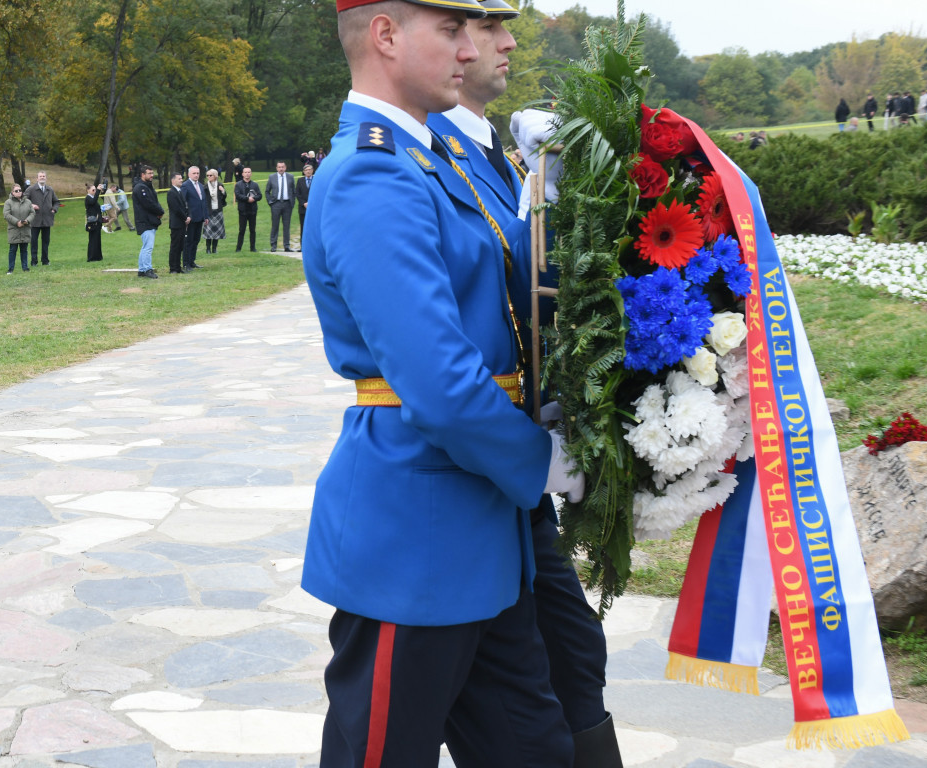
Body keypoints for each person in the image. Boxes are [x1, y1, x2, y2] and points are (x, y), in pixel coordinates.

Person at [300, 0, 588, 765]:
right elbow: (439, 384)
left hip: (481, 532)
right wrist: (545, 462)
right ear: (387, 36)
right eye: (452, 30)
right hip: (416, 537)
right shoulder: (372, 174)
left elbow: (516, 291)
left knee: (537, 750)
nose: (472, 49)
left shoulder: (437, 157)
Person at [427, 1, 622, 763]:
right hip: (471, 469)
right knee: (421, 708)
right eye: (479, 26)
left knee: (574, 658)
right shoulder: (423, 153)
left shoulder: (493, 152)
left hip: (514, 466)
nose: (507, 41)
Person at [131, 165, 162, 279]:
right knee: (148, 247)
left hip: (149, 220)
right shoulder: (140, 188)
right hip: (144, 221)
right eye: (149, 173)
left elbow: (154, 201)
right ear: (142, 175)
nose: (152, 175)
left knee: (145, 246)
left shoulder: (147, 186)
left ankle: (142, 270)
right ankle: (148, 269)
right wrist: (160, 211)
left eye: (152, 173)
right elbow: (148, 203)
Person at [25, 171, 59, 266]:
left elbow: (56, 202)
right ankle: (34, 261)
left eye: (44, 176)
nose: (42, 178)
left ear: (46, 178)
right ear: (37, 178)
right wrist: (31, 205)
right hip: (35, 220)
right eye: (40, 176)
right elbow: (23, 200)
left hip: (47, 219)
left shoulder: (50, 189)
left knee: (46, 242)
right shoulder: (31, 189)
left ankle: (45, 260)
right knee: (34, 242)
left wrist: (54, 209)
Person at [3, 183, 35, 274]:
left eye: (20, 190)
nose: (18, 192)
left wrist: (27, 221)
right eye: (16, 191)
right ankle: (10, 269)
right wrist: (17, 222)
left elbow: (32, 213)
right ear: (12, 192)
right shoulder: (8, 202)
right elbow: (6, 215)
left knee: (24, 249)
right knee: (13, 250)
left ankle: (25, 268)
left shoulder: (28, 202)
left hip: (25, 229)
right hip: (14, 230)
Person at [181, 165, 207, 269]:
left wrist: (206, 216)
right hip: (190, 218)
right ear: (189, 174)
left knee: (196, 240)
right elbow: (183, 202)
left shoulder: (200, 185)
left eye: (197, 173)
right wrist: (187, 216)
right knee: (189, 241)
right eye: (194, 173)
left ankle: (192, 261)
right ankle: (186, 263)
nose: (196, 175)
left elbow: (203, 202)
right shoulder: (185, 186)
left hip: (200, 217)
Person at [265, 161, 294, 251]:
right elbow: (267, 191)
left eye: (282, 167)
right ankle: (273, 245)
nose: (281, 169)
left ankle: (287, 245)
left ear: (285, 168)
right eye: (279, 167)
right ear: (276, 168)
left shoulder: (290, 177)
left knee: (286, 225)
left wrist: (292, 202)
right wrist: (270, 202)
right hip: (276, 204)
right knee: (275, 225)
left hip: (287, 204)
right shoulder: (272, 177)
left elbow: (293, 190)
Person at [233, 167, 262, 252]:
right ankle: (238, 248)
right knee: (242, 230)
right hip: (243, 210)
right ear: (242, 174)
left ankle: (252, 248)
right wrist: (247, 199)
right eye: (245, 172)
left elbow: (260, 195)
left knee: (252, 230)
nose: (247, 174)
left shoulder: (255, 185)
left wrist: (254, 198)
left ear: (251, 173)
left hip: (252, 210)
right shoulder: (238, 184)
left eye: (249, 172)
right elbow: (237, 195)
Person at [166, 172, 188, 274]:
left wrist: (187, 216)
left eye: (181, 178)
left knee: (180, 246)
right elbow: (176, 208)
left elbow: (184, 206)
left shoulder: (180, 191)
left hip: (182, 223)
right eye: (179, 179)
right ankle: (173, 268)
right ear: (173, 180)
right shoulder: (171, 192)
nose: (181, 180)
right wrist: (185, 218)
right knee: (175, 246)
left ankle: (178, 267)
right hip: (176, 223)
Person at [202, 168, 227, 255]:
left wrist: (222, 191)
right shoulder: (205, 187)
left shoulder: (220, 185)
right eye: (207, 175)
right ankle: (208, 249)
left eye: (210, 175)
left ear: (215, 176)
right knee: (209, 231)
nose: (208, 177)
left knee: (217, 231)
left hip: (218, 210)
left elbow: (224, 197)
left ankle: (214, 249)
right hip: (208, 211)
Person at [295, 163, 314, 247]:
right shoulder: (300, 181)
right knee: (303, 227)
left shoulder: (316, 180)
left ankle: (313, 246)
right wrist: (303, 203)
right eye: (306, 170)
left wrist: (311, 203)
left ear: (312, 170)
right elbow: (297, 194)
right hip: (303, 208)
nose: (308, 171)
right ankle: (303, 246)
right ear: (303, 172)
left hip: (314, 208)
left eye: (310, 169)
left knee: (313, 227)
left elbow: (318, 193)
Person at [84, 183, 104, 262]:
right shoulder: (88, 198)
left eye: (95, 190)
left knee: (97, 239)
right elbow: (93, 202)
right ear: (88, 190)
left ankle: (98, 256)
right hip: (93, 221)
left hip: (97, 220)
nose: (95, 191)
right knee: (93, 239)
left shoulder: (92, 197)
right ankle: (92, 257)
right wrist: (98, 191)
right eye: (93, 190)